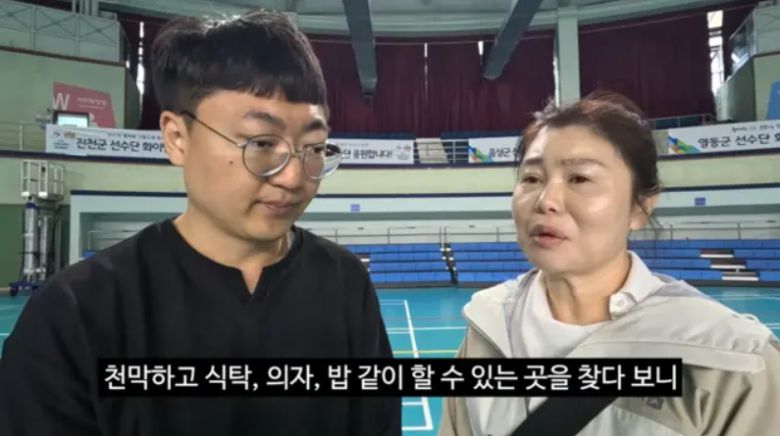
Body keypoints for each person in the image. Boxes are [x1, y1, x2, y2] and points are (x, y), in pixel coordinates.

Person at [0, 10, 400, 436]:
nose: (292, 177)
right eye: (261, 143)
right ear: (177, 137)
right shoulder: (73, 316)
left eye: (314, 147)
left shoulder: (344, 283)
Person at [438, 93, 780, 436]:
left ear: (640, 206)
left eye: (579, 178)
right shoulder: (487, 328)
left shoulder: (734, 360)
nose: (546, 201)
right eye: (531, 179)